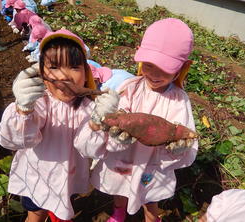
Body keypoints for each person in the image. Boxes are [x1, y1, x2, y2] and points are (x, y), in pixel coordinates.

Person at [74, 18, 198, 222]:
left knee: (150, 198)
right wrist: (116, 133)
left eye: (165, 69)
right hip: (125, 155)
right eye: (149, 65)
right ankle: (119, 212)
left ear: (182, 66)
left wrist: (178, 146)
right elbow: (116, 117)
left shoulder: (178, 100)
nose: (155, 74)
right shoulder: (130, 87)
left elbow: (183, 133)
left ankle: (152, 218)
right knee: (120, 187)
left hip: (153, 162)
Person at [0, 29, 97, 222]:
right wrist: (24, 109)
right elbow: (13, 141)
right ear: (41, 71)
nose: (65, 76)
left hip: (69, 179)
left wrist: (102, 123)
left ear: (86, 72)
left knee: (64, 206)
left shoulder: (89, 109)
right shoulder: (39, 103)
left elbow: (91, 148)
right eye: (55, 67)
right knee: (36, 215)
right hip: (37, 178)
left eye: (74, 67)